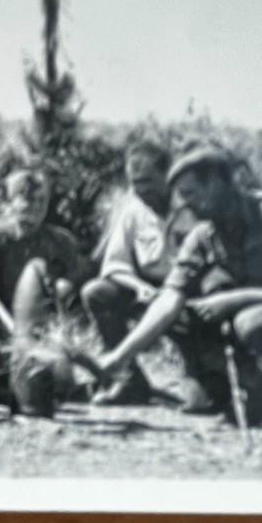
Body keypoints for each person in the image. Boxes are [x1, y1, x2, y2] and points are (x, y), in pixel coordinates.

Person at [92, 145, 262, 439]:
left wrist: (233, 299)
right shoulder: (203, 234)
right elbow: (169, 299)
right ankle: (260, 391)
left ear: (218, 183)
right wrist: (120, 356)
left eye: (191, 192)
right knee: (188, 315)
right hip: (254, 315)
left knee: (252, 322)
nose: (184, 204)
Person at [82, 140, 210, 407]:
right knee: (97, 293)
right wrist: (138, 286)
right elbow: (115, 266)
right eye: (134, 183)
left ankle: (202, 376)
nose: (140, 191)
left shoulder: (193, 206)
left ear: (167, 175)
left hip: (192, 295)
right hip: (148, 291)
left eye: (148, 182)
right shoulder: (131, 211)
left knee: (201, 403)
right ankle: (129, 380)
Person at [0, 168, 83, 341]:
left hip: (50, 318)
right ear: (11, 202)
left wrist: (65, 285)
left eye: (42, 200)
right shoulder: (0, 238)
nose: (37, 206)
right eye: (29, 200)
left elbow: (75, 277)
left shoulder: (60, 240)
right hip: (8, 318)